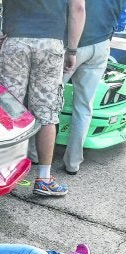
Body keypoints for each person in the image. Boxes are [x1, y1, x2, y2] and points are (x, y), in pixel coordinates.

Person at [0, 0, 86, 197]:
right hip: (51, 44)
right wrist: (72, 51)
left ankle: (1, 174)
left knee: (7, 109)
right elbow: (78, 8)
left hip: (14, 43)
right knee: (47, 113)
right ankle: (44, 179)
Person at [62, 0, 122, 175]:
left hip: (72, 43)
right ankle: (73, 163)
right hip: (102, 44)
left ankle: (35, 155)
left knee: (49, 99)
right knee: (84, 106)